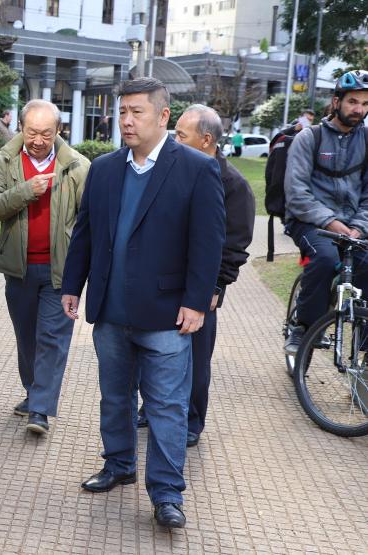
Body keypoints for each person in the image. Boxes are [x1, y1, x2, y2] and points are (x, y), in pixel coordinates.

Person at [60, 77, 225, 529]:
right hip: (111, 311)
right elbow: (86, 232)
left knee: (167, 407)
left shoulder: (196, 168)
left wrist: (196, 302)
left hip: (167, 315)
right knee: (114, 397)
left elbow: (208, 243)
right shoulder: (104, 169)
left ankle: (167, 494)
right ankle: (118, 464)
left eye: (137, 112)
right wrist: (72, 285)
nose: (127, 121)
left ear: (163, 115)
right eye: (122, 112)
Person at [136, 104, 255, 447]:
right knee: (154, 349)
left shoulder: (233, 185)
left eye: (181, 135)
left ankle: (191, 421)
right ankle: (152, 408)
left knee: (195, 358)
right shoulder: (170, 170)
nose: (173, 140)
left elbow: (235, 243)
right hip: (163, 280)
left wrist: (215, 286)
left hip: (202, 287)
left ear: (205, 140)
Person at [0, 99, 89, 435]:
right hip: (19, 269)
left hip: (59, 270)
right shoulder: (5, 160)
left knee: (52, 339)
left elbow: (87, 220)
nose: (38, 140)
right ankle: (34, 392)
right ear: (21, 127)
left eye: (46, 133)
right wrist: (26, 191)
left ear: (58, 130)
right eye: (32, 132)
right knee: (27, 338)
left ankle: (40, 410)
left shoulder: (77, 166)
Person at [284, 70, 368, 354]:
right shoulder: (310, 138)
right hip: (309, 222)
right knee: (324, 259)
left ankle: (364, 348)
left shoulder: (367, 141)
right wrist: (331, 222)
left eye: (365, 104)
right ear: (336, 101)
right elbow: (296, 193)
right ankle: (303, 328)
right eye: (353, 102)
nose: (359, 110)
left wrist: (359, 226)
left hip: (353, 226)